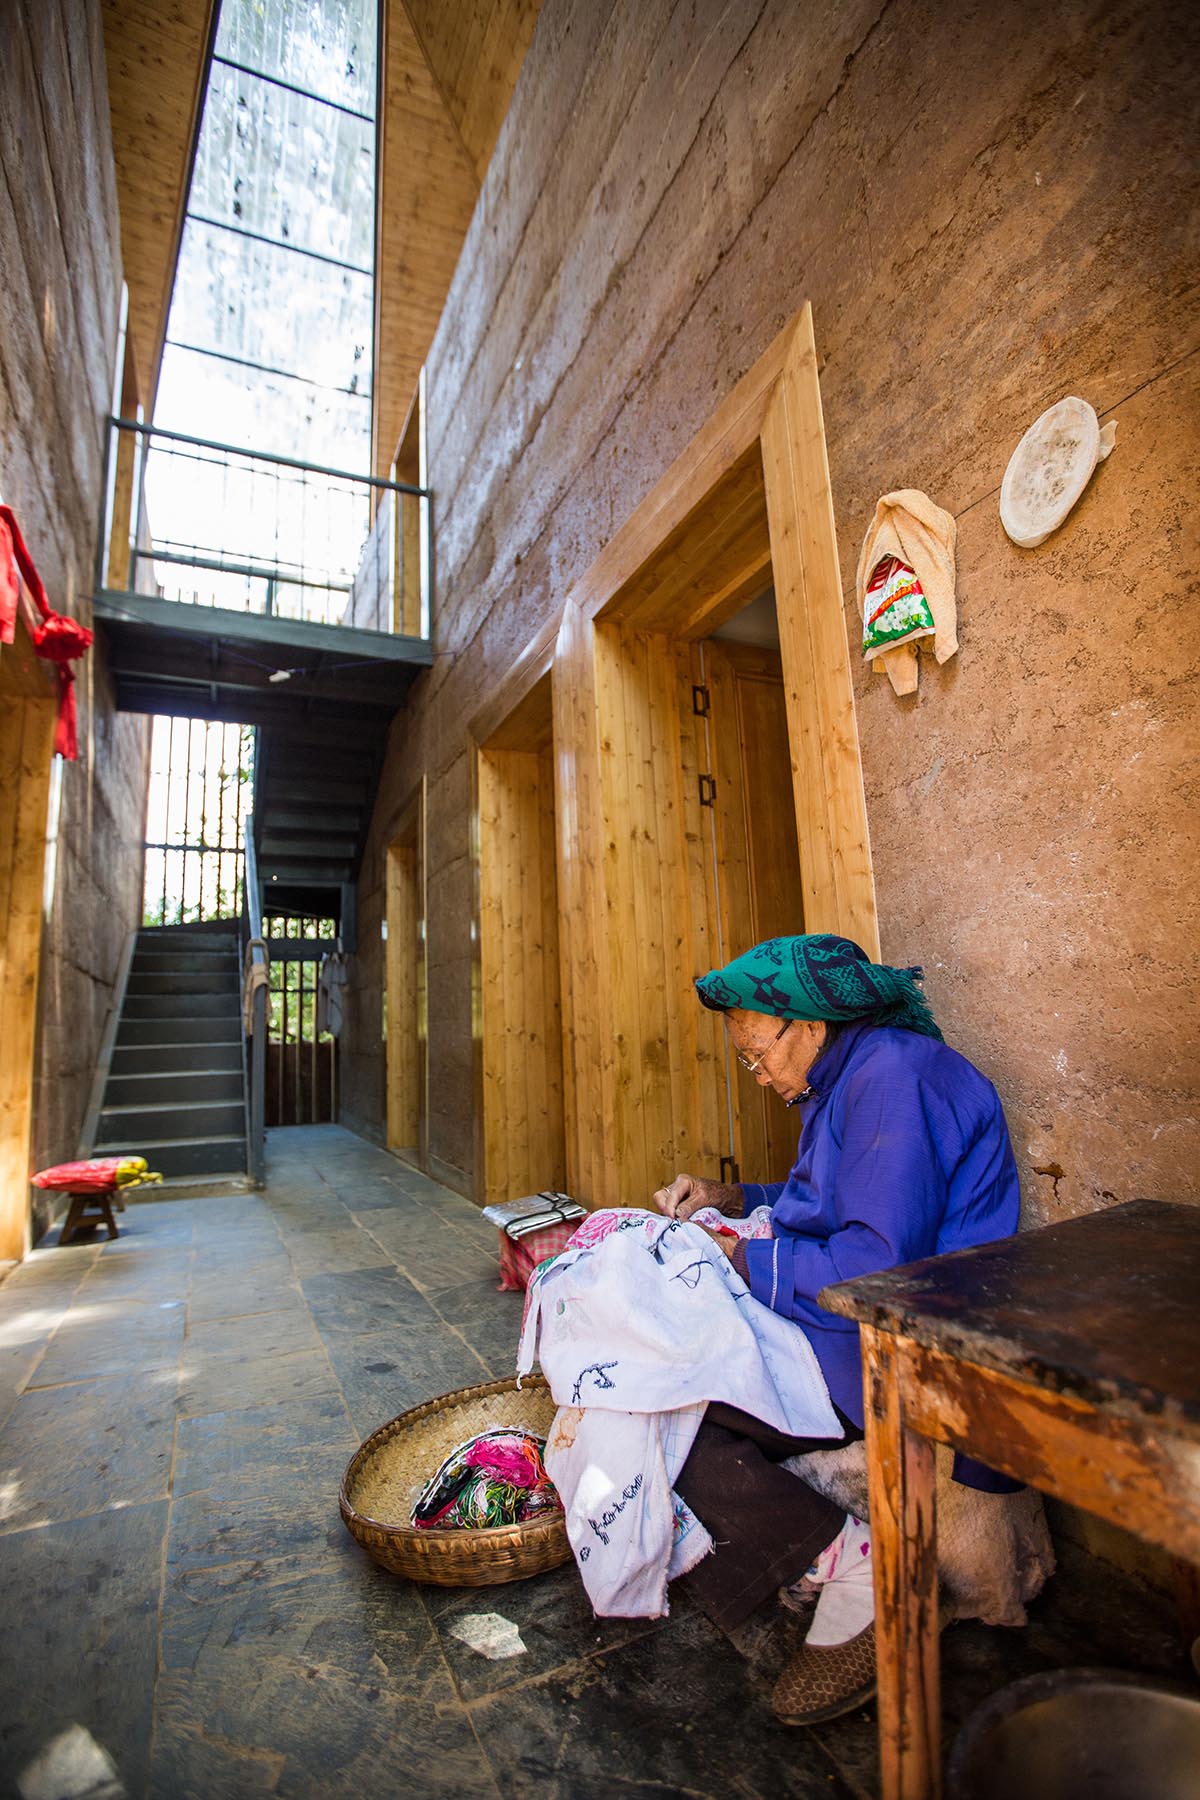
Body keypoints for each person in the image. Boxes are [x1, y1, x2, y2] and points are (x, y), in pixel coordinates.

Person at [652, 932, 1021, 1723]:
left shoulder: (891, 1078)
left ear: (811, 1025)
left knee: (668, 1411)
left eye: (758, 1054)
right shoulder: (848, 1075)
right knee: (657, 1365)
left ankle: (864, 1570)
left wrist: (739, 1259)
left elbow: (876, 1264)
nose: (758, 1075)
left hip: (904, 1337)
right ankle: (824, 1552)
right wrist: (729, 1196)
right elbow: (826, 1201)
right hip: (856, 1319)